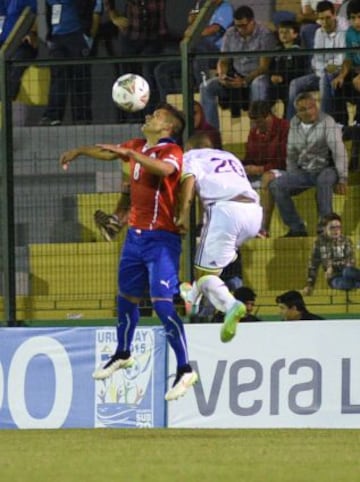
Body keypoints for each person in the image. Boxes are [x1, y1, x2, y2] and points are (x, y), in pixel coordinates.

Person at [59, 103, 198, 402]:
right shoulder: (138, 146)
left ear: (167, 128)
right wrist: (80, 151)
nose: (149, 116)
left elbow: (164, 170)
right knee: (125, 299)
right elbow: (109, 152)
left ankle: (185, 368)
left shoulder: (170, 150)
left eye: (157, 115)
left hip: (161, 238)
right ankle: (123, 352)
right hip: (135, 238)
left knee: (162, 306)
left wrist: (132, 155)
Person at [177, 132, 263, 343]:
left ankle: (231, 305)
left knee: (205, 275)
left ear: (189, 148)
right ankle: (192, 296)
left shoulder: (190, 157)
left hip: (225, 211)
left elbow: (188, 182)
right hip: (254, 213)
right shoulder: (230, 157)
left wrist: (183, 214)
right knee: (212, 269)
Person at [269, 91, 348, 237]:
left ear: (316, 106)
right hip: (304, 171)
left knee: (324, 181)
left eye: (311, 107)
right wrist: (292, 175)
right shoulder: (294, 123)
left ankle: (325, 228)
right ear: (297, 112)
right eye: (303, 109)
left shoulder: (327, 121)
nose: (309, 111)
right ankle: (296, 228)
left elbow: (339, 150)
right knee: (276, 185)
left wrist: (343, 178)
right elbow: (291, 152)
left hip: (327, 169)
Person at [200, 5, 277, 130]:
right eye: (237, 26)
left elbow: (264, 66)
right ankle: (212, 133)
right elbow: (223, 60)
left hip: (256, 75)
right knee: (206, 87)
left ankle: (257, 130)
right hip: (236, 76)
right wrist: (222, 75)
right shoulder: (230, 33)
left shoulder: (265, 34)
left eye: (244, 26)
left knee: (258, 84)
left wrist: (245, 81)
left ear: (252, 22)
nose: (240, 29)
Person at [154, 0, 233, 101]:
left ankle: (204, 92)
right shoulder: (203, 7)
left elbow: (212, 30)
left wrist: (192, 31)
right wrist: (193, 22)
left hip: (215, 54)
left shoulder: (225, 8)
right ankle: (172, 103)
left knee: (199, 45)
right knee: (161, 70)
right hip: (194, 55)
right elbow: (189, 32)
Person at [39, 0, 103, 126]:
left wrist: (87, 37)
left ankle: (82, 118)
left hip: (77, 35)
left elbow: (95, 6)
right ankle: (53, 116)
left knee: (80, 79)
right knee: (57, 78)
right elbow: (49, 10)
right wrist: (50, 36)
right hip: (57, 37)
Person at [287, 1, 348, 121]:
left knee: (325, 80)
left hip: (339, 73)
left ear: (334, 14)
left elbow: (342, 59)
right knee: (295, 84)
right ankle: (290, 125)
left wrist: (329, 68)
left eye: (327, 18)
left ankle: (324, 124)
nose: (325, 22)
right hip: (321, 73)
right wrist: (323, 70)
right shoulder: (318, 32)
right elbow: (316, 60)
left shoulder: (344, 31)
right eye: (321, 19)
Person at [104, 0, 167, 113]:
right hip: (130, 35)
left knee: (151, 77)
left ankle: (151, 114)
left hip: (153, 36)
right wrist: (114, 16)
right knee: (127, 81)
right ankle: (130, 118)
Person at [243, 101, 289, 237]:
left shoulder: (284, 127)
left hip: (282, 169)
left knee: (267, 179)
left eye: (260, 122)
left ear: (269, 116)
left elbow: (284, 159)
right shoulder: (254, 132)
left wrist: (260, 169)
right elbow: (249, 156)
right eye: (254, 122)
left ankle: (263, 228)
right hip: (260, 169)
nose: (257, 126)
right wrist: (244, 167)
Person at [302, 212, 360, 294]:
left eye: (339, 227)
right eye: (332, 227)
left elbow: (350, 262)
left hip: (348, 272)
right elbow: (313, 265)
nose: (336, 230)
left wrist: (332, 265)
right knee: (343, 284)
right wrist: (310, 285)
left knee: (348, 271)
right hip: (334, 277)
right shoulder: (319, 243)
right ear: (325, 228)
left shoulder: (346, 241)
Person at [268, 19, 308, 116]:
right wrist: (271, 76)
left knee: (288, 96)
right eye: (281, 32)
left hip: (289, 85)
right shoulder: (277, 51)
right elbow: (270, 68)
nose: (283, 35)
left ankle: (288, 121)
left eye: (286, 32)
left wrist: (283, 78)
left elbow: (300, 71)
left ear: (295, 34)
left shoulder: (299, 51)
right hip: (276, 84)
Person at [0, 0, 38, 100]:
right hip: (4, 42)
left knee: (15, 66)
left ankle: (6, 100)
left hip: (22, 44)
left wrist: (31, 32)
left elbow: (40, 15)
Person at [331, 0, 360, 126]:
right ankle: (341, 124)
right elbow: (348, 59)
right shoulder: (350, 33)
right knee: (337, 83)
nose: (357, 22)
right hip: (356, 71)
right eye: (353, 18)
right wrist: (341, 75)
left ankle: (358, 123)